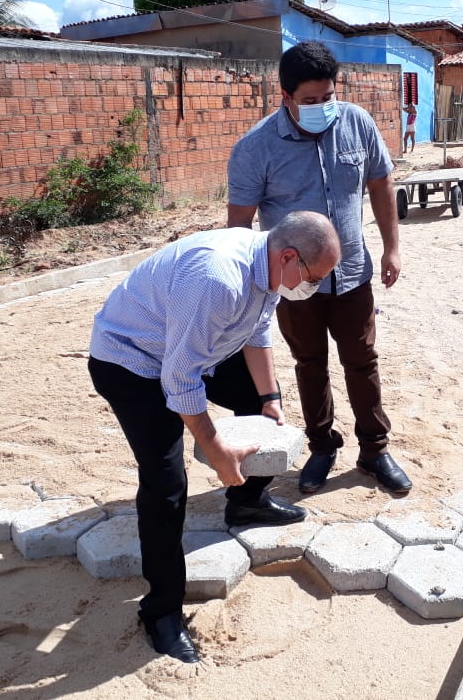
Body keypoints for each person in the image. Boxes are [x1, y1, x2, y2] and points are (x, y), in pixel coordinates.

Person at [88, 211, 340, 662]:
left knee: (254, 400)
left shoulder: (269, 270)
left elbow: (257, 330)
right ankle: (161, 611)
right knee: (167, 482)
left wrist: (268, 395)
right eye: (314, 277)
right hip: (131, 361)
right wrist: (217, 451)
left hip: (188, 351)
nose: (313, 287)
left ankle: (248, 502)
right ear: (288, 256)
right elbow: (180, 379)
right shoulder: (217, 278)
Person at [227, 40, 413, 498]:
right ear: (285, 96)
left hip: (352, 274)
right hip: (293, 287)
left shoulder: (357, 123)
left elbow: (380, 181)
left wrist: (392, 248)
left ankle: (374, 451)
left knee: (362, 361)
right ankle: (322, 446)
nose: (323, 107)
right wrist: (251, 287)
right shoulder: (255, 149)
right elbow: (238, 226)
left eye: (328, 97)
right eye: (311, 101)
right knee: (309, 365)